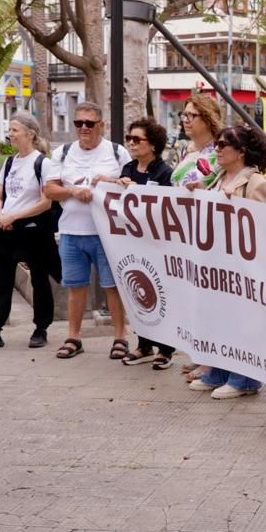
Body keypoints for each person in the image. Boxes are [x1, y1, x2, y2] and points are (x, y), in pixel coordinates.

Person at [187, 125, 266, 400]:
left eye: (224, 144)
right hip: (217, 264)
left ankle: (245, 378)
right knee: (219, 318)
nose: (218, 149)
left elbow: (263, 228)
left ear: (241, 152)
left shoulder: (255, 182)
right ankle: (220, 369)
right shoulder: (217, 179)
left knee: (242, 321)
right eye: (217, 144)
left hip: (242, 266)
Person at [0, 111, 59, 352]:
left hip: (32, 230)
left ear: (30, 134)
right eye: (10, 129)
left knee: (39, 278)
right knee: (2, 280)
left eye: (15, 130)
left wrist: (14, 216)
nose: (10, 134)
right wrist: (0, 215)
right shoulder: (10, 162)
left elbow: (45, 202)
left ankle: (41, 328)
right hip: (5, 229)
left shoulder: (42, 163)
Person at [44, 101, 128, 361]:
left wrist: (110, 181)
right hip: (71, 231)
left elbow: (130, 183)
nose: (83, 128)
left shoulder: (116, 152)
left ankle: (120, 337)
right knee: (75, 286)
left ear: (101, 125)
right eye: (78, 123)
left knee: (112, 286)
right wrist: (72, 190)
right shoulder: (63, 152)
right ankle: (74, 336)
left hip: (106, 233)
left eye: (89, 123)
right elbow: (49, 190)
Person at [108, 118, 178, 369]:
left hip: (157, 246)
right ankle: (144, 344)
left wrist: (138, 190)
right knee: (137, 293)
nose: (132, 143)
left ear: (153, 144)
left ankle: (166, 349)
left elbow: (167, 207)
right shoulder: (127, 168)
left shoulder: (164, 172)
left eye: (137, 139)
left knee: (160, 294)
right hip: (132, 245)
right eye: (129, 139)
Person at [170, 93, 221, 186]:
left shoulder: (221, 152)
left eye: (192, 115)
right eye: (184, 115)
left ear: (209, 119)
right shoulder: (185, 149)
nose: (185, 120)